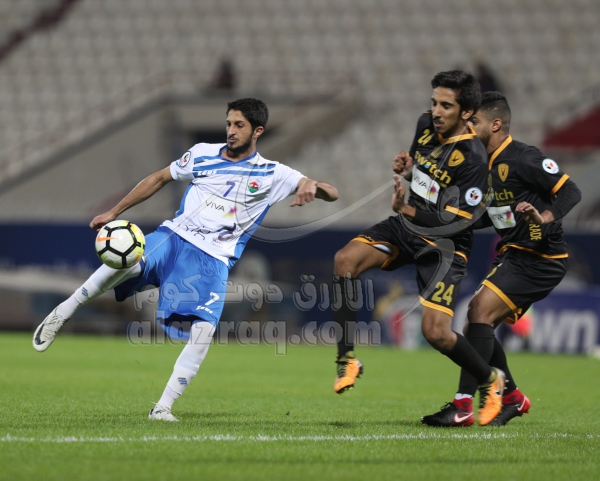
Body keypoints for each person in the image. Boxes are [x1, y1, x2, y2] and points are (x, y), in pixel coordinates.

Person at [32, 98, 339, 422]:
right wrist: (114, 212)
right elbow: (158, 178)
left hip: (213, 258)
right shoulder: (203, 153)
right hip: (174, 237)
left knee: (204, 332)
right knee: (130, 258)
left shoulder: (273, 173)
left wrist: (310, 184)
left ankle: (162, 408)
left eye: (239, 125)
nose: (231, 131)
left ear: (257, 131)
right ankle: (62, 312)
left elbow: (331, 192)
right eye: (229, 123)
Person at [331, 70, 506, 426]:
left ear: (467, 112)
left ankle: (491, 379)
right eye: (434, 103)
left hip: (445, 245)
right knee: (345, 260)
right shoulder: (425, 124)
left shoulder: (473, 158)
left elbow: (456, 220)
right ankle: (346, 359)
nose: (436, 111)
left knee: (436, 333)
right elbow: (425, 176)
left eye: (446, 106)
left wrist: (405, 208)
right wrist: (409, 170)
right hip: (407, 227)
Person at [421, 91, 581, 427]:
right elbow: (491, 214)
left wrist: (544, 217)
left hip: (542, 257)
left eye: (474, 121)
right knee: (475, 324)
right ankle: (512, 398)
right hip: (514, 253)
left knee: (478, 311)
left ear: (495, 124)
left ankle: (463, 405)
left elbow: (571, 191)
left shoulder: (524, 158)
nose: (467, 126)